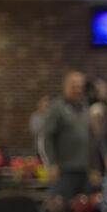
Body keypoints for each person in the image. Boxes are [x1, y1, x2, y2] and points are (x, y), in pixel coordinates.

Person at [39, 71, 97, 200]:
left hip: (83, 171)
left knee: (83, 209)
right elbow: (46, 137)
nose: (77, 89)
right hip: (63, 171)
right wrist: (51, 164)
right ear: (65, 86)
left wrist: (94, 167)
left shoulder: (86, 108)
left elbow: (90, 140)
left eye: (79, 86)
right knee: (60, 209)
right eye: (73, 86)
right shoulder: (56, 107)